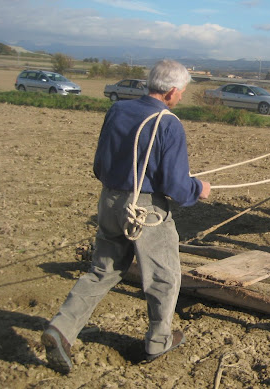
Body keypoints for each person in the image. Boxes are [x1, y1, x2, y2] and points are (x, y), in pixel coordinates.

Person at [41, 59, 211, 374]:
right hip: (145, 211)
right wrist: (197, 189)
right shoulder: (168, 123)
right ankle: (159, 340)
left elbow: (99, 164)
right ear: (172, 91)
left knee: (102, 271)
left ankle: (61, 329)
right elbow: (174, 185)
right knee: (165, 276)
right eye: (183, 92)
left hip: (109, 200)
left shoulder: (117, 111)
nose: (182, 97)